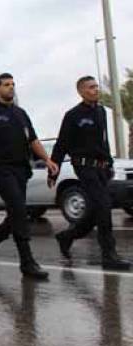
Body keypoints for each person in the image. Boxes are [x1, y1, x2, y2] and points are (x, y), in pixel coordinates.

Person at [0, 73, 59, 279]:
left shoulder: (21, 114)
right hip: (2, 170)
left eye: (13, 84)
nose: (11, 88)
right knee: (19, 212)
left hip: (21, 170)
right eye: (6, 85)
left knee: (16, 214)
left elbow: (33, 140)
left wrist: (47, 160)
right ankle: (27, 262)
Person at [49, 76, 130, 270]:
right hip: (85, 168)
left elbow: (103, 141)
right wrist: (54, 170)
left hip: (102, 168)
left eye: (96, 87)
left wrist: (109, 163)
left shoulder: (101, 111)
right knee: (104, 206)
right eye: (92, 87)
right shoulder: (73, 115)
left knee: (96, 211)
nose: (96, 90)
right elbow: (62, 144)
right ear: (81, 91)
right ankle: (109, 256)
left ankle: (67, 237)